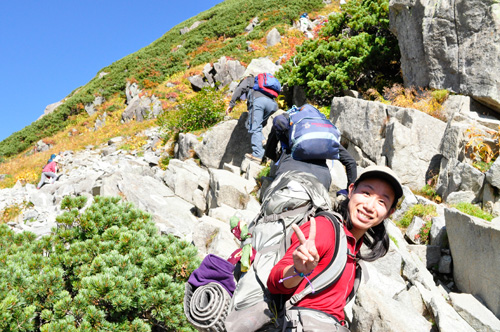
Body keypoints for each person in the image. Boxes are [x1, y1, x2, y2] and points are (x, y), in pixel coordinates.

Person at [267, 165, 403, 330]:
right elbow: (274, 282)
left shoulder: (353, 248)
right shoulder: (325, 228)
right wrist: (297, 271)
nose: (369, 206)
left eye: (382, 201)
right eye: (366, 193)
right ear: (351, 190)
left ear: (389, 212)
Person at [264, 112, 357, 191]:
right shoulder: (322, 135)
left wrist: (278, 159)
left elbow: (269, 152)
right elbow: (351, 162)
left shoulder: (287, 122)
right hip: (322, 180)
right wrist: (349, 192)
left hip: (290, 174)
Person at [226, 75, 278, 164]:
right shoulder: (264, 85)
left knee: (255, 127)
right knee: (257, 126)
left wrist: (231, 104)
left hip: (259, 101)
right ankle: (264, 143)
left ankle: (257, 155)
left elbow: (240, 89)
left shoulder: (249, 80)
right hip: (273, 105)